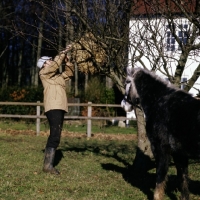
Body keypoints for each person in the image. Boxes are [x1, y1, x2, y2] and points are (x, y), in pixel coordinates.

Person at [37, 45, 74, 175]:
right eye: (49, 60)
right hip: (53, 107)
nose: (52, 61)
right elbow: (54, 66)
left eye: (52, 59)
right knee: (55, 135)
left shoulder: (57, 76)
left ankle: (48, 165)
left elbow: (69, 73)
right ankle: (48, 166)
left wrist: (67, 62)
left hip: (60, 107)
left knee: (56, 135)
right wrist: (63, 52)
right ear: (43, 65)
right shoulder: (43, 74)